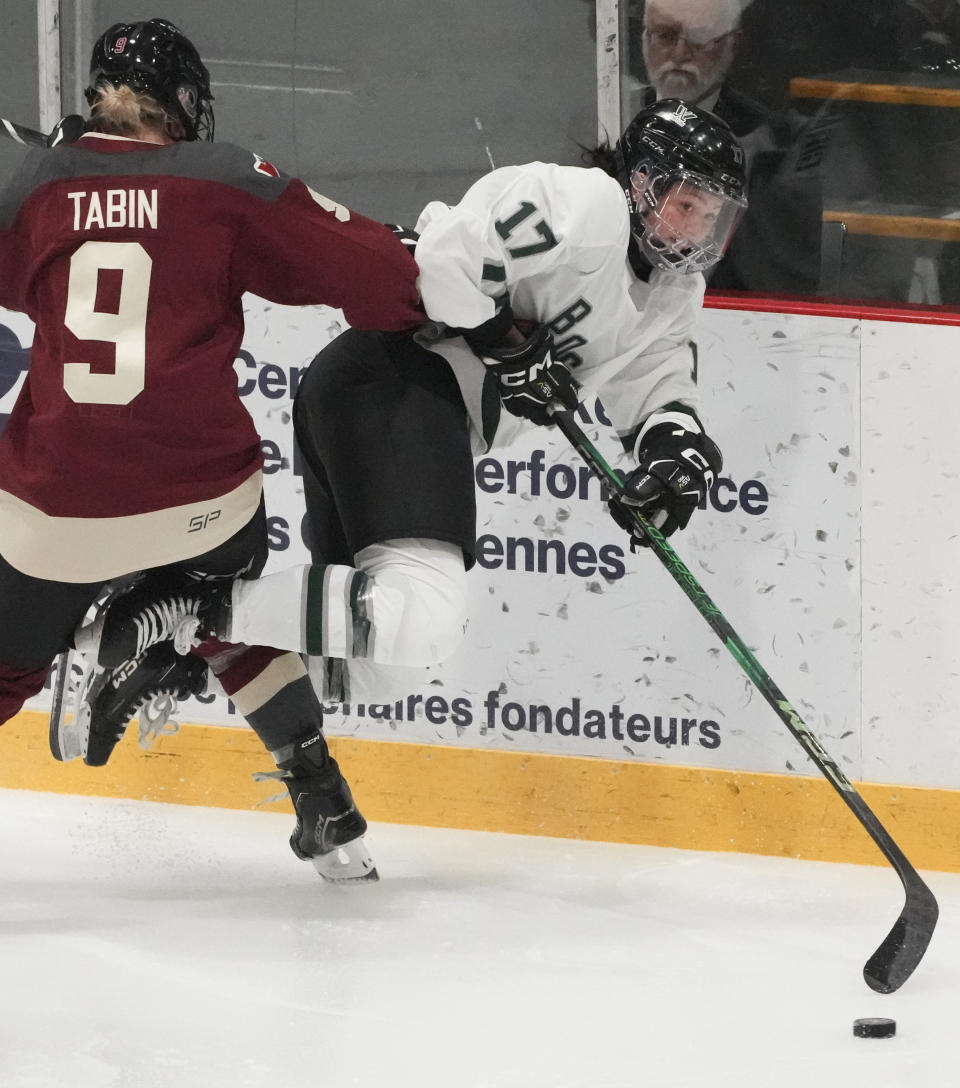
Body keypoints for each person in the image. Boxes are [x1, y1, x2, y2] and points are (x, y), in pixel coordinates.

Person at [77, 100, 747, 714]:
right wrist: (507, 346)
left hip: (409, 416)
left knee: (376, 667)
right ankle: (184, 606)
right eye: (686, 205)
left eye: (711, 215)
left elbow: (658, 390)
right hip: (394, 380)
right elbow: (447, 257)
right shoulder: (588, 205)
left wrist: (673, 459)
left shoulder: (672, 296)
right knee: (424, 619)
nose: (695, 229)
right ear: (640, 183)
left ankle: (181, 663)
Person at [0, 17, 423, 883]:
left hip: (51, 519)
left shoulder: (35, 185)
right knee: (230, 597)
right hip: (200, 514)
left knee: (6, 663)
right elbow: (384, 281)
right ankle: (320, 796)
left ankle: (150, 620)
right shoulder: (226, 180)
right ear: (187, 102)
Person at [630, 0, 826, 295]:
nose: (680, 53)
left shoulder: (771, 142)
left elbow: (779, 275)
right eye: (665, 35)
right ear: (644, 38)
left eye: (699, 39)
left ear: (733, 44)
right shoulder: (609, 113)